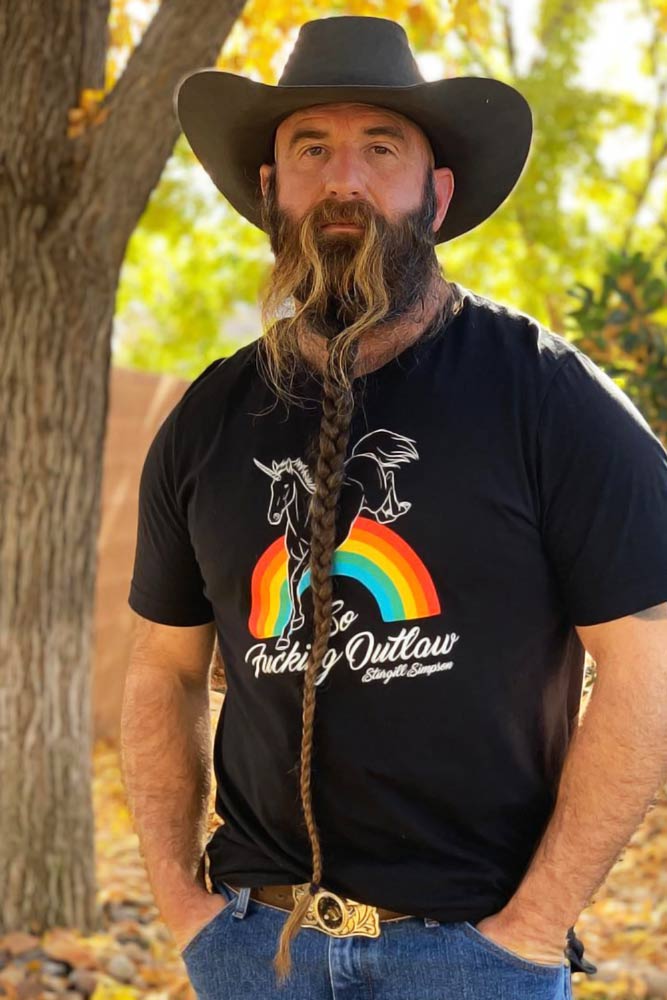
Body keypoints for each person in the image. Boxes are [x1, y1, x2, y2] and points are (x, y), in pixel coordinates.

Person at [122, 15, 667, 1000]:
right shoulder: (206, 419)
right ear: (268, 188)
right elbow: (162, 668)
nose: (344, 181)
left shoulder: (547, 398)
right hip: (256, 951)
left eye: (380, 148)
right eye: (311, 150)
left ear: (438, 191)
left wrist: (532, 928)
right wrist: (185, 908)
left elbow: (644, 661)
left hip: (470, 959)